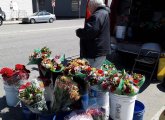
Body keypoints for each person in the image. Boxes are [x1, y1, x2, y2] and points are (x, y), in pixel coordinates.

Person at [76, 0, 111, 68]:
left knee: (91, 73)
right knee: (95, 72)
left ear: (93, 6)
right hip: (99, 50)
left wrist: (78, 32)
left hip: (95, 52)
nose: (89, 10)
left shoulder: (97, 15)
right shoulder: (104, 13)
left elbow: (89, 33)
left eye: (89, 7)